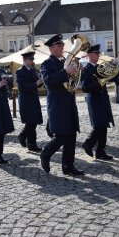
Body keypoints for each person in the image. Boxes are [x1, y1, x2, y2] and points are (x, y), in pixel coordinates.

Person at [39, 34, 84, 176]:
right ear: (51, 48)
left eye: (62, 45)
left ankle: (68, 166)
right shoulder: (47, 64)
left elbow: (73, 82)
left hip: (69, 103)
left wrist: (78, 71)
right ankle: (45, 154)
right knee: (61, 136)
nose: (62, 47)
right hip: (57, 104)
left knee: (71, 136)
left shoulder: (66, 61)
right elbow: (48, 81)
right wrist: (65, 72)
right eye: (59, 45)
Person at [81, 44, 114, 160]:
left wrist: (113, 69)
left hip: (103, 99)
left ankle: (100, 151)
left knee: (104, 126)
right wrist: (99, 83)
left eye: (98, 53)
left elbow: (111, 77)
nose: (99, 55)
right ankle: (88, 143)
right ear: (90, 55)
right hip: (94, 100)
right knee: (99, 126)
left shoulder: (100, 67)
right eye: (96, 53)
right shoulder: (87, 70)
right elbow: (85, 87)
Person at [15, 51, 43, 152]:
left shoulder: (32, 70)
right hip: (26, 100)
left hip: (33, 99)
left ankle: (30, 143)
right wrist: (36, 83)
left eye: (32, 59)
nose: (32, 61)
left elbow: (37, 84)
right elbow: (22, 87)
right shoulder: (19, 71)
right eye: (30, 59)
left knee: (33, 122)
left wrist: (40, 81)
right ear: (25, 60)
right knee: (31, 122)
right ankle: (24, 138)